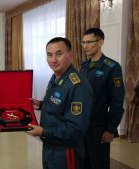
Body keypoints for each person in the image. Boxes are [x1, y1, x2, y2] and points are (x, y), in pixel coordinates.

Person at [27, 37, 93, 169]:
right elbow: (58, 105)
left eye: (59, 54)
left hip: (65, 151)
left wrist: (44, 131)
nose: (53, 60)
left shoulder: (77, 85)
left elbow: (76, 129)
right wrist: (40, 105)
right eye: (49, 55)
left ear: (70, 54)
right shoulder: (56, 76)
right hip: (50, 146)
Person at [80, 28, 125, 169]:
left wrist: (111, 129)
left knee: (99, 163)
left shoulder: (112, 67)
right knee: (84, 162)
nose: (85, 46)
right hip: (82, 125)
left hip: (99, 127)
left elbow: (117, 101)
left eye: (89, 42)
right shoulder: (84, 66)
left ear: (100, 42)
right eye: (83, 42)